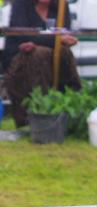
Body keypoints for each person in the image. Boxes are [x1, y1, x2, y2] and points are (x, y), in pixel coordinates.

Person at [1, 0, 81, 128]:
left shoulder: (61, 6)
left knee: (64, 54)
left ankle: (70, 111)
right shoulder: (20, 4)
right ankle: (37, 114)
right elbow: (23, 36)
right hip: (20, 58)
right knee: (39, 54)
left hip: (50, 57)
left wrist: (62, 40)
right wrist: (55, 40)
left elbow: (64, 34)